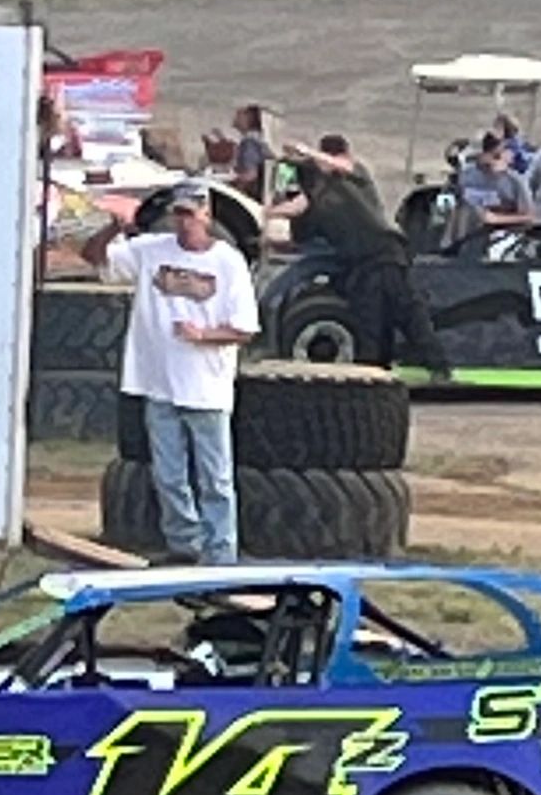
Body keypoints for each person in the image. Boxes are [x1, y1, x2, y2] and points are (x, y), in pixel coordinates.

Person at [81, 182, 259, 564]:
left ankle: (221, 552)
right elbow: (94, 258)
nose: (183, 223)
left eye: (190, 215)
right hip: (158, 384)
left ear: (206, 215)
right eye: (178, 214)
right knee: (168, 475)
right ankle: (185, 544)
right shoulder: (150, 251)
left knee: (215, 478)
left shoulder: (228, 262)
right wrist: (113, 229)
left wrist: (204, 335)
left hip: (206, 387)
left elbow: (244, 329)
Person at [267, 135, 452, 383]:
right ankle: (375, 377)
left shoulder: (355, 177)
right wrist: (269, 213)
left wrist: (308, 152)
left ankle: (440, 369)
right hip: (359, 266)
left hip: (385, 254)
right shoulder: (318, 195)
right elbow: (300, 217)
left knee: (409, 314)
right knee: (371, 324)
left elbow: (342, 166)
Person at [457, 131, 536, 227]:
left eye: (479, 155)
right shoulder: (466, 175)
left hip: (503, 234)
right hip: (471, 233)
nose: (474, 159)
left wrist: (497, 219)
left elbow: (529, 216)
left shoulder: (514, 180)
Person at [230, 104, 271, 201]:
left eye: (239, 114)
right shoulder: (259, 141)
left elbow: (251, 174)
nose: (234, 117)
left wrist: (231, 182)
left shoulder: (249, 143)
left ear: (247, 118)